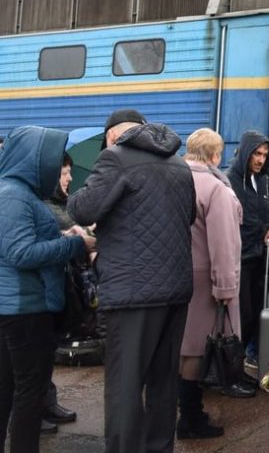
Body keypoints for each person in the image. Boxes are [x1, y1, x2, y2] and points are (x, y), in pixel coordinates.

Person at [67, 109, 196, 453]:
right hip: (176, 288)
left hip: (132, 291)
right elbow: (189, 216)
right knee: (163, 383)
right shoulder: (179, 163)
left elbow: (83, 210)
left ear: (112, 135)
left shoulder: (115, 158)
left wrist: (78, 193)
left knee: (125, 385)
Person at [0, 126, 92, 453]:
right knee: (30, 391)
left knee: (9, 388)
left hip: (18, 306)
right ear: (34, 159)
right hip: (25, 308)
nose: (55, 168)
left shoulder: (16, 192)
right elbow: (20, 253)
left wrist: (62, 237)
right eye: (51, 159)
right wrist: (75, 245)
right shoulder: (15, 196)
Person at [178, 128, 243, 438]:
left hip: (178, 275)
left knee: (182, 348)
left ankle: (186, 412)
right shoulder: (215, 188)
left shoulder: (176, 179)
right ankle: (191, 419)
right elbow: (223, 243)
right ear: (216, 155)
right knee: (197, 351)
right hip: (207, 279)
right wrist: (226, 288)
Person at [227, 130, 269, 382]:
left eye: (264, 155)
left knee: (256, 314)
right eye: (257, 154)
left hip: (261, 258)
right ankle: (232, 371)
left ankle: (241, 368)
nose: (261, 159)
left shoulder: (264, 182)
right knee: (242, 316)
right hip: (239, 259)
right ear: (246, 153)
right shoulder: (230, 180)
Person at [40, 153, 85, 432]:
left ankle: (47, 403)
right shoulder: (44, 207)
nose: (69, 179)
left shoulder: (60, 203)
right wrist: (75, 237)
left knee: (46, 352)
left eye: (69, 172)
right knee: (33, 358)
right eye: (63, 174)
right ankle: (33, 412)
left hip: (54, 289)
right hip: (36, 294)